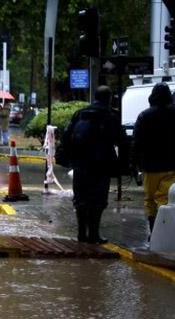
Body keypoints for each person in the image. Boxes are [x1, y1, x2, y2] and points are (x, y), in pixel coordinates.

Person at [62, 85, 121, 244]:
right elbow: (119, 139)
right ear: (109, 99)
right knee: (98, 200)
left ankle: (82, 234)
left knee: (81, 199)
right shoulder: (110, 116)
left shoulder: (80, 114)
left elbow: (66, 136)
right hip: (101, 165)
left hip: (80, 165)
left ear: (94, 97)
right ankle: (94, 234)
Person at [133, 82, 175, 236]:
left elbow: (137, 142)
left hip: (150, 166)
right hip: (172, 164)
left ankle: (154, 231)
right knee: (166, 198)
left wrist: (135, 165)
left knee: (150, 200)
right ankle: (166, 231)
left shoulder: (144, 115)